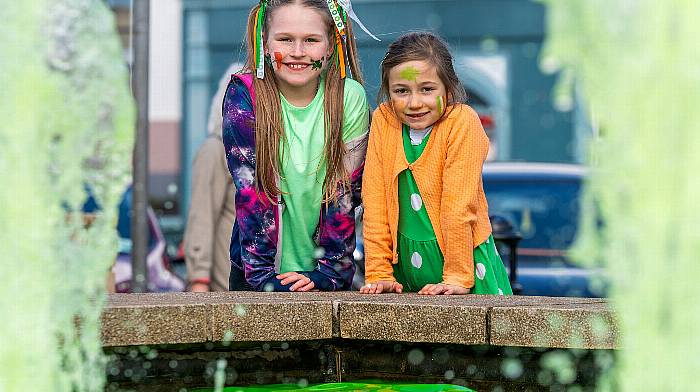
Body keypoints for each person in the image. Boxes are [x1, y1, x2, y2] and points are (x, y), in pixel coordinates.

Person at [222, 0, 372, 292]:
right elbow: (251, 190)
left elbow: (343, 193)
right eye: (285, 39)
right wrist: (263, 278)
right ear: (264, 43)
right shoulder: (244, 96)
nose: (298, 52)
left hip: (324, 274)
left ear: (330, 47)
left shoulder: (348, 97)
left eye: (311, 40)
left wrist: (329, 273)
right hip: (258, 271)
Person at [360, 32, 512, 296]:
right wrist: (378, 272)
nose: (414, 102)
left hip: (463, 264)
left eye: (427, 89)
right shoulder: (384, 120)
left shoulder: (462, 123)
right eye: (401, 91)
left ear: (449, 89)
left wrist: (457, 276)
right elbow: (375, 202)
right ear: (388, 92)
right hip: (406, 266)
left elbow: (458, 206)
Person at [183, 64, 239, 292]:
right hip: (225, 290)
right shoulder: (215, 150)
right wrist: (199, 279)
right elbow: (201, 215)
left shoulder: (263, 154)